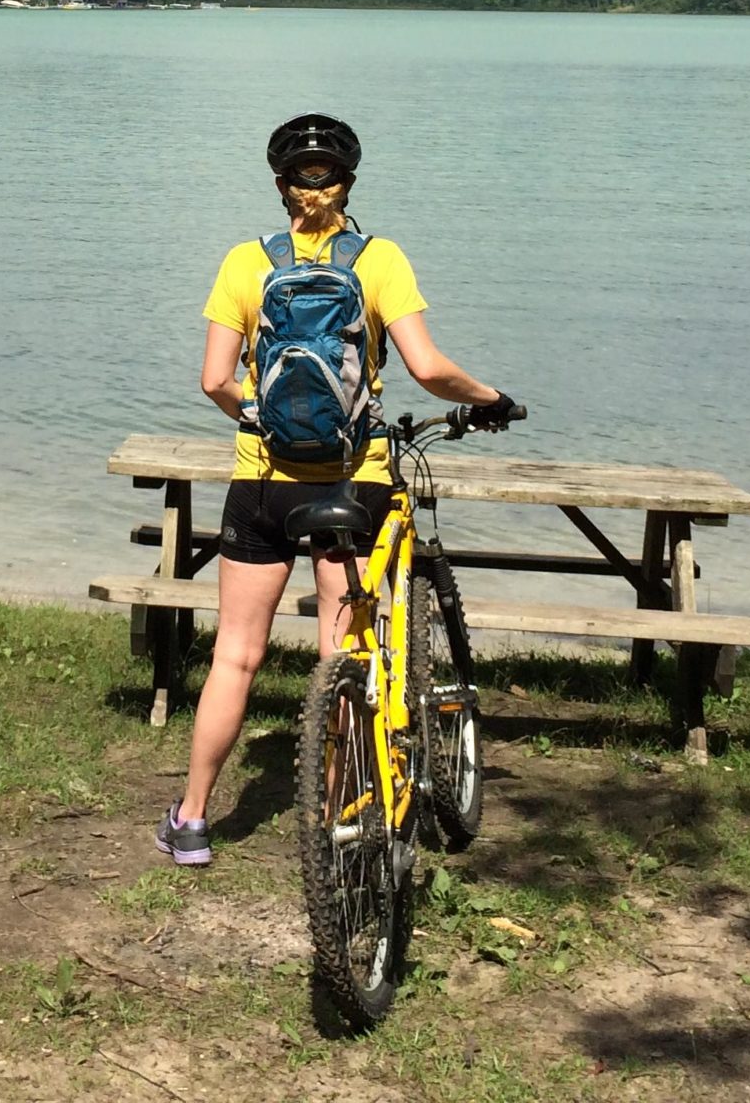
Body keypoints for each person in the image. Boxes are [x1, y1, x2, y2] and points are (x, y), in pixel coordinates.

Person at [157, 112, 516, 866]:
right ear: (346, 180)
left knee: (235, 656)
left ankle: (191, 820)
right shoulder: (381, 260)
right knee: (341, 655)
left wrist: (259, 417)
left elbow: (213, 380)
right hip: (355, 483)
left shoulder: (242, 264)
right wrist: (487, 398)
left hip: (262, 483)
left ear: (280, 184)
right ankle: (337, 820)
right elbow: (426, 368)